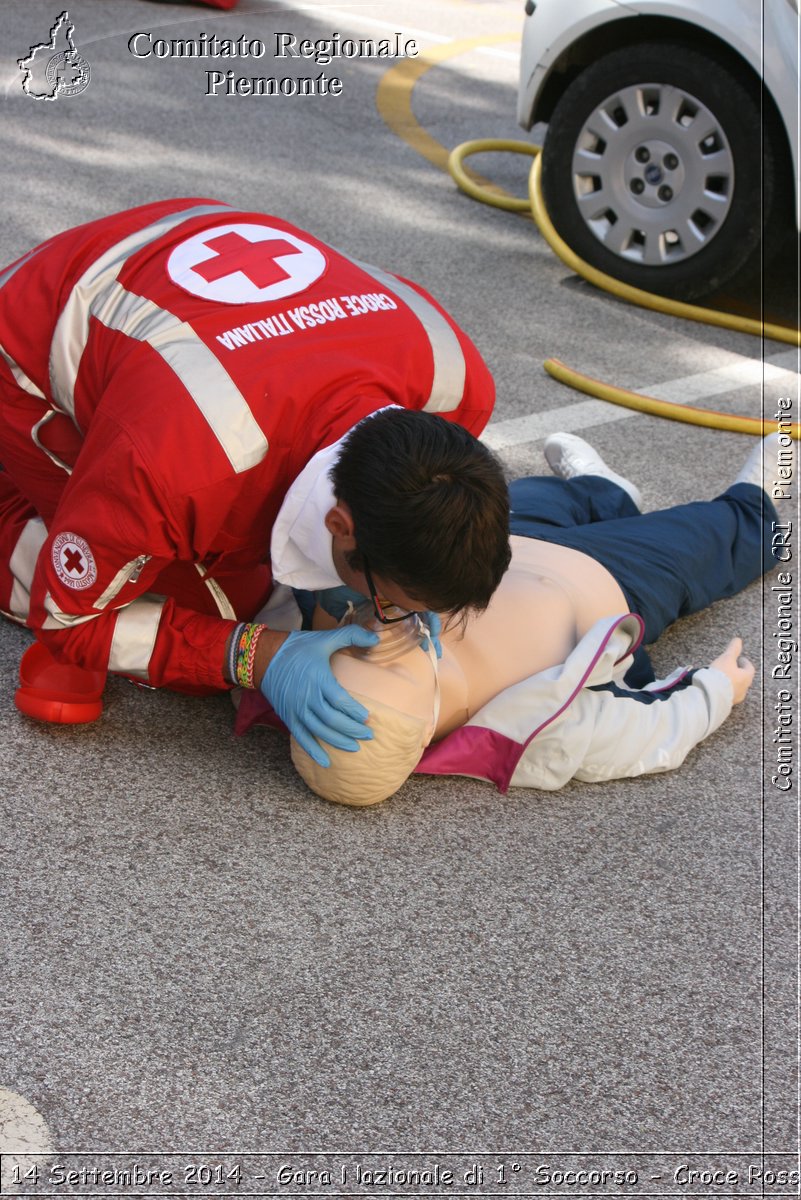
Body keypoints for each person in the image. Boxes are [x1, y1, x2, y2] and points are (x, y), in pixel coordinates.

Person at [0, 199, 509, 765]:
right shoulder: (176, 468)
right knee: (215, 621)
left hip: (186, 242)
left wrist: (381, 587)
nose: (386, 617)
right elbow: (70, 621)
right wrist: (258, 655)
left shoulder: (456, 384)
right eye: (388, 602)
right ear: (342, 525)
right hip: (27, 327)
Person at [237, 431, 786, 804]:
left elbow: (261, 620)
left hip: (480, 553)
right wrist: (714, 693)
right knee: (712, 541)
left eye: (353, 652)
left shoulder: (324, 650)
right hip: (612, 577)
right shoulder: (525, 727)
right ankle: (754, 502)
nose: (378, 640)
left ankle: (606, 490)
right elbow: (637, 732)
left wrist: (262, 653)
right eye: (392, 670)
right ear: (425, 731)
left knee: (526, 497)